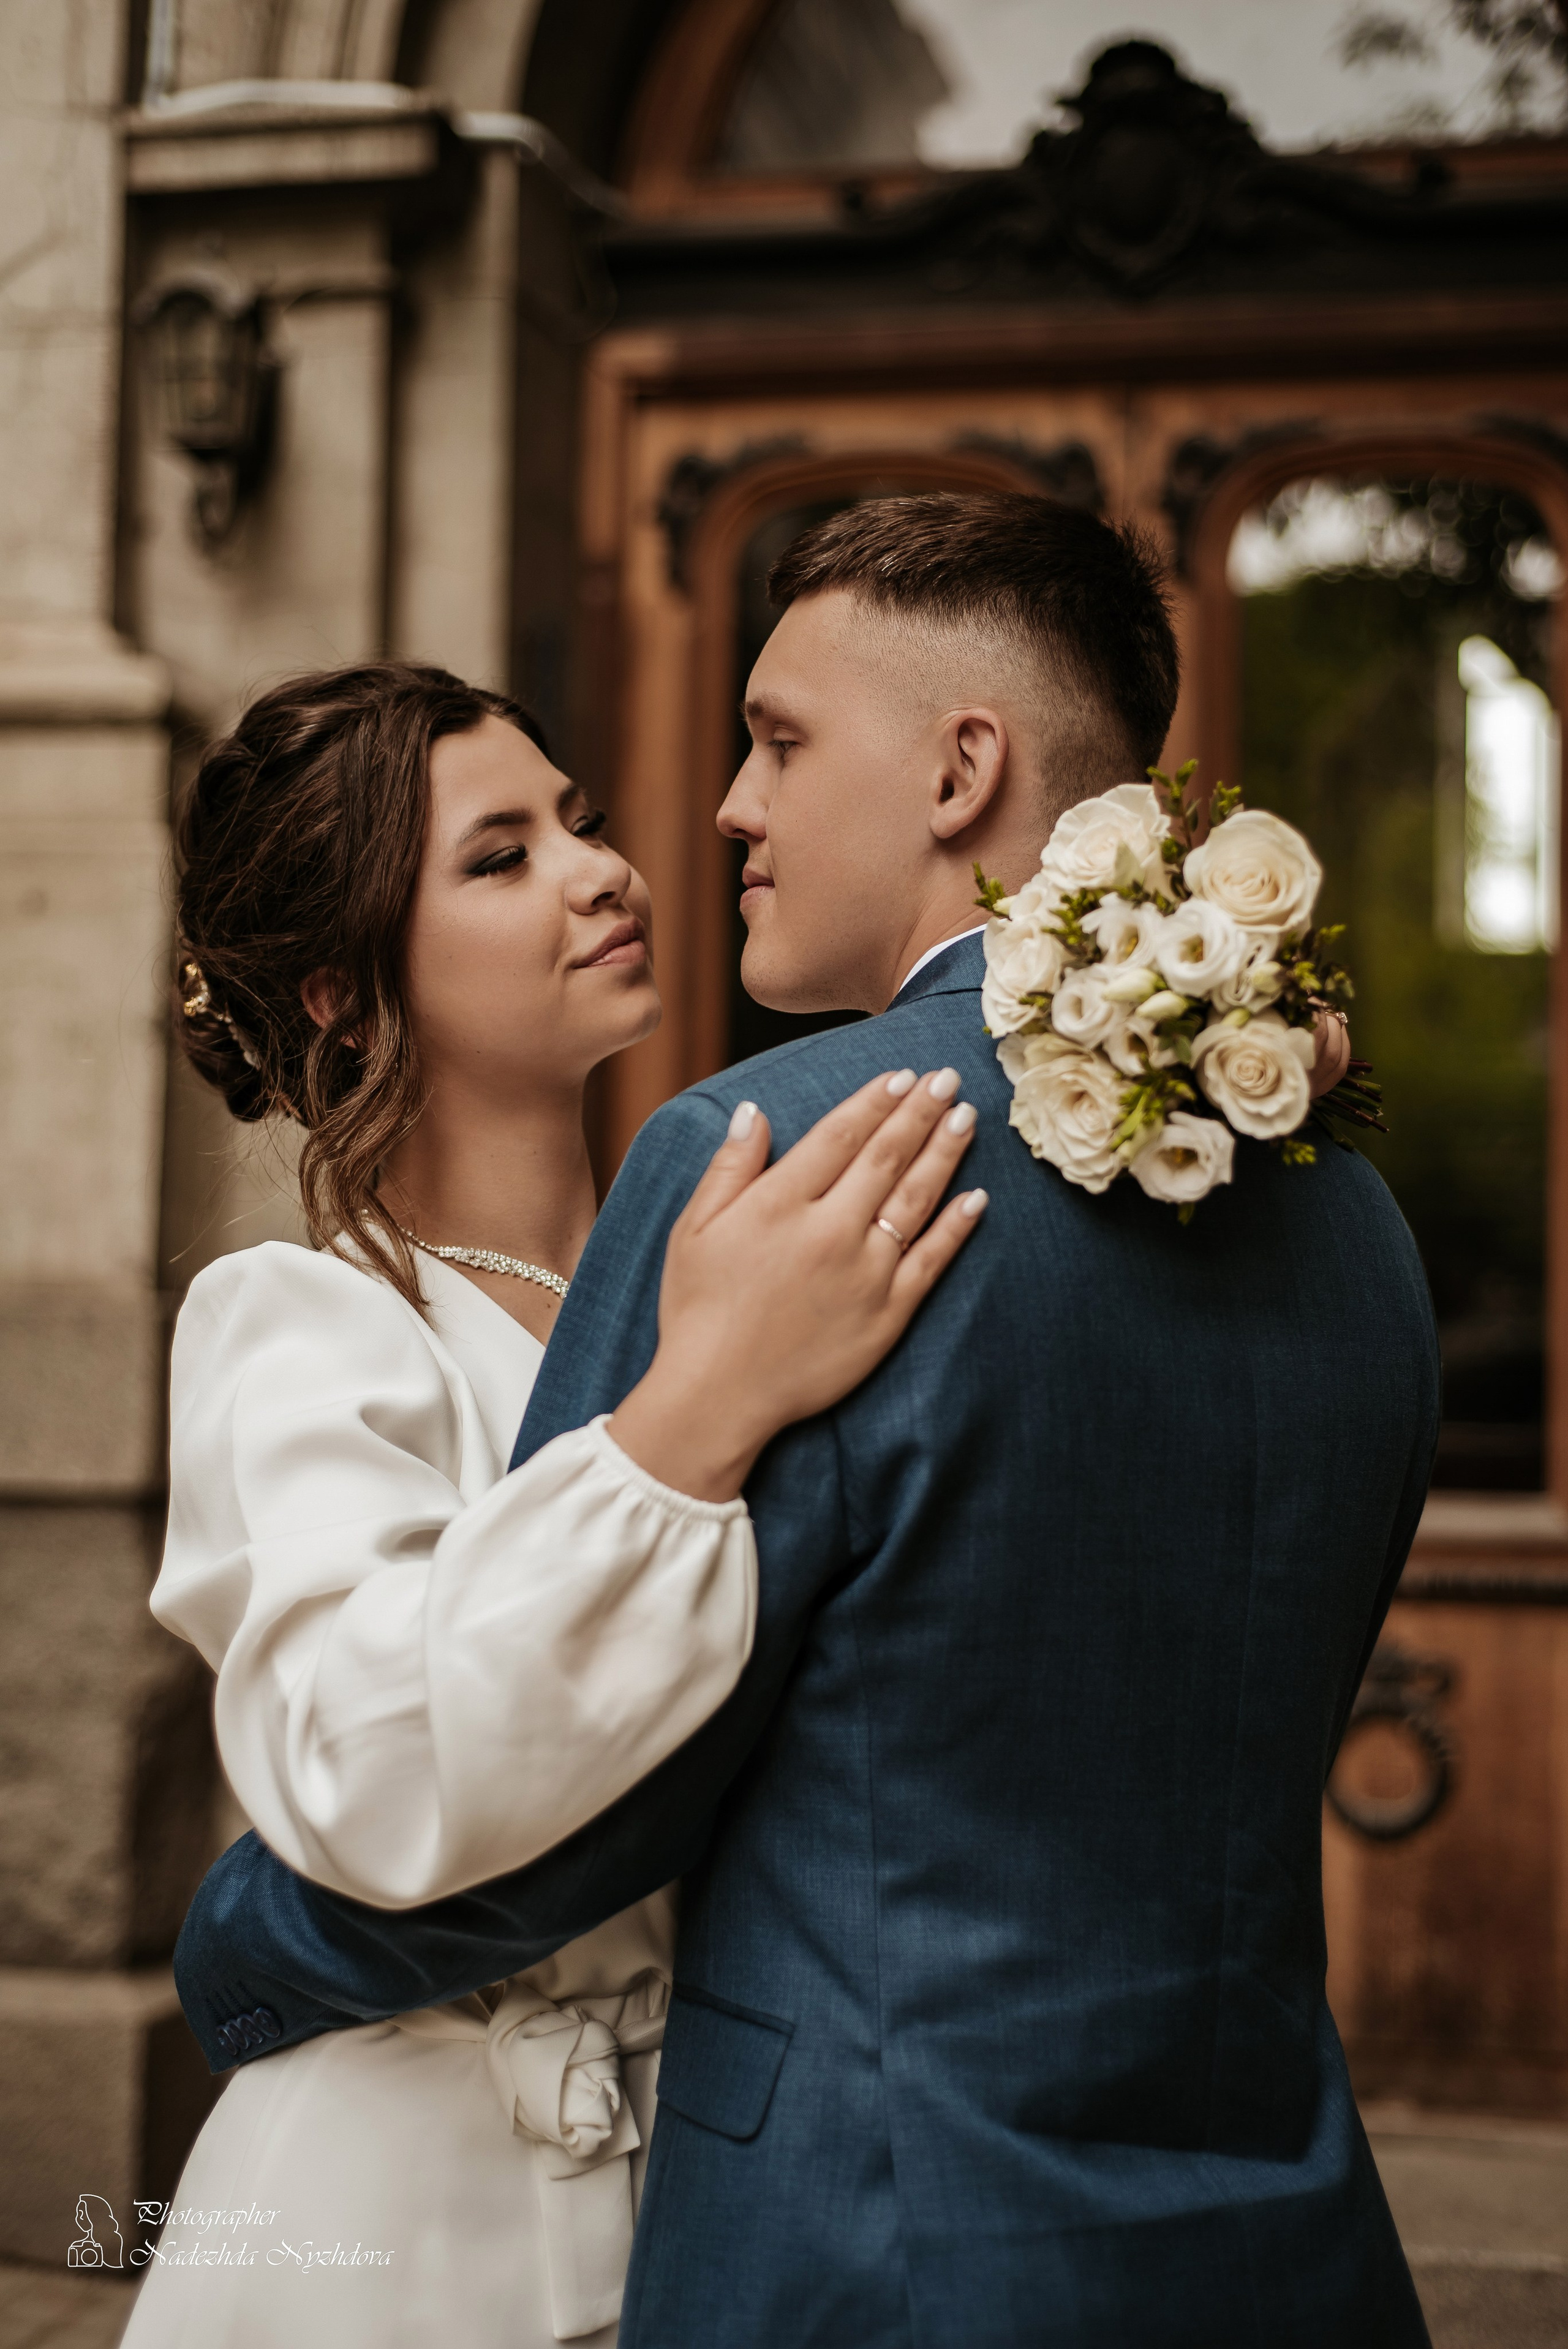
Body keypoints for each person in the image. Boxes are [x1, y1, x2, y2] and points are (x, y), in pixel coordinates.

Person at [174, 496, 1438, 2349]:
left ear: (961, 772)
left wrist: (240, 1947)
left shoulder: (779, 1175)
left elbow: (609, 1816)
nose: (699, 823)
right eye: (506, 855)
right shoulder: (1345, 1207)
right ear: (345, 989)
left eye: (774, 743)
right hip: (1273, 2221)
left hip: (876, 2216)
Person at [122, 661, 985, 2349]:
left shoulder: (753, 1245)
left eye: (579, 822)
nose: (604, 871)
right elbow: (364, 1767)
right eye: (502, 857)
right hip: (397, 2210)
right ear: (344, 991)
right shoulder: (302, 1321)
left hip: (745, 2155)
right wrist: (693, 1414)